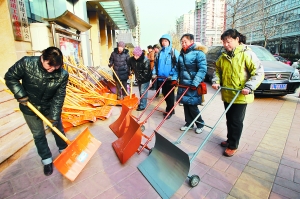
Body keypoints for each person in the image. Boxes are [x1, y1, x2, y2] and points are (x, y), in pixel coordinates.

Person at [4, 47, 69, 176]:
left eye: (56, 67)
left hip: (49, 107)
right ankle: (47, 160)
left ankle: (65, 151)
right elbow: (10, 77)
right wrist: (21, 95)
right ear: (42, 58)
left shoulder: (62, 74)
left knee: (57, 129)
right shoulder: (27, 63)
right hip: (29, 107)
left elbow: (59, 96)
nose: (52, 69)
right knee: (38, 135)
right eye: (49, 66)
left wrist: (54, 116)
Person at [212, 29, 264, 157]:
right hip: (228, 94)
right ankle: (230, 139)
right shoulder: (223, 56)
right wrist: (216, 81)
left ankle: (233, 145)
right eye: (224, 42)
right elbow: (217, 70)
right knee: (229, 119)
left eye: (228, 42)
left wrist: (249, 87)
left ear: (237, 40)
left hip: (241, 94)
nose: (225, 45)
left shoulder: (247, 54)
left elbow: (258, 72)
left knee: (236, 121)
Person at [171, 33, 207, 134]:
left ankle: (200, 124)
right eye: (182, 42)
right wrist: (174, 78)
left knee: (192, 106)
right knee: (186, 105)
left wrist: (195, 83)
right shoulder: (181, 54)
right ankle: (189, 123)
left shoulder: (199, 53)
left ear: (191, 42)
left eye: (185, 42)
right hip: (183, 85)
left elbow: (202, 69)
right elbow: (177, 69)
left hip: (193, 86)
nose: (183, 44)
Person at [152, 34, 180, 119]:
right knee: (165, 94)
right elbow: (155, 64)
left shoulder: (174, 52)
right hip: (161, 78)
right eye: (162, 41)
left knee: (170, 95)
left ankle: (169, 111)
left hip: (170, 78)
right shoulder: (159, 53)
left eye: (166, 41)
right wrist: (154, 73)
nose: (164, 43)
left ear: (169, 42)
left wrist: (172, 75)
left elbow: (178, 65)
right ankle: (171, 109)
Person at [127, 46, 151, 111]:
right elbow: (128, 65)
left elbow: (146, 72)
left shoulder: (145, 60)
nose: (135, 57)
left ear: (140, 55)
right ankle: (142, 103)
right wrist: (130, 71)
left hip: (145, 79)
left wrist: (140, 79)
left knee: (143, 92)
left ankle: (142, 106)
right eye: (134, 55)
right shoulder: (131, 59)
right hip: (138, 78)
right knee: (141, 91)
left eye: (137, 55)